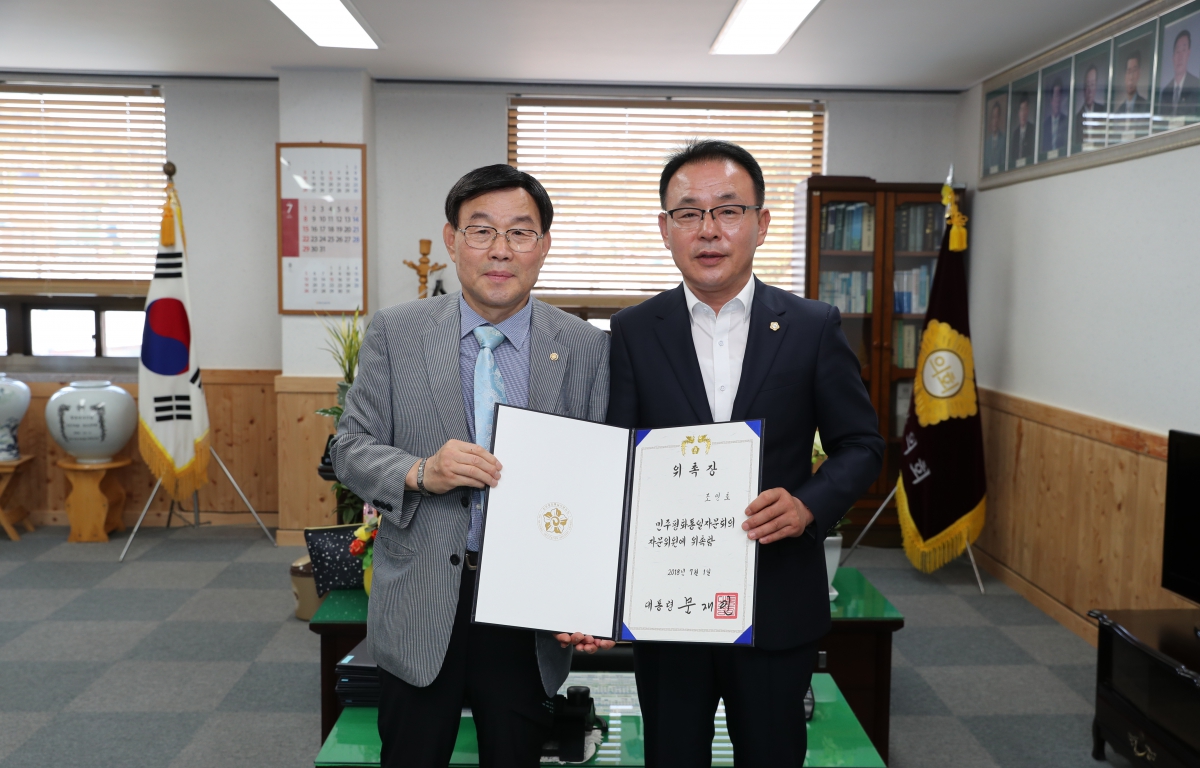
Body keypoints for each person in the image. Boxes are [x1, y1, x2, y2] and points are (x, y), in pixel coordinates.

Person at [606, 140, 884, 766]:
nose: (709, 230)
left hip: (775, 597)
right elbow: (615, 463)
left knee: (772, 753)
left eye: (728, 210)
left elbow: (862, 446)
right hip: (669, 606)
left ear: (761, 224)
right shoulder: (630, 332)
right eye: (688, 213)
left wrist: (809, 505)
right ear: (664, 229)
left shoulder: (813, 326)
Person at [332, 164, 614, 768]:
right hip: (422, 596)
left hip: (527, 602)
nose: (500, 250)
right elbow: (350, 449)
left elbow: (599, 483)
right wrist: (420, 472)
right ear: (452, 239)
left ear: (543, 246)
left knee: (514, 754)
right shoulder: (395, 333)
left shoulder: (586, 346)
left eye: (520, 232)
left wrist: (590, 598)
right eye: (481, 230)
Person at [1158, 29, 1200, 118]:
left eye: (1183, 50)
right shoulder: (1165, 92)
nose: (1180, 56)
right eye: (1177, 51)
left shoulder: (1196, 85)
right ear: (1173, 57)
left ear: (1188, 53)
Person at [1114, 49, 1150, 136]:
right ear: (1125, 75)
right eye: (1129, 71)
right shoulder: (1118, 113)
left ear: (1139, 73)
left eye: (1134, 71)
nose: (1131, 77)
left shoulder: (1146, 106)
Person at [1072, 64, 1104, 152]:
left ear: (1096, 86)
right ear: (1083, 88)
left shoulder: (1104, 112)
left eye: (1092, 85)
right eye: (1087, 85)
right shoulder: (1076, 120)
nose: (1089, 90)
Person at [1040, 77, 1067, 154]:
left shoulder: (1066, 122)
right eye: (1056, 96)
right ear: (1051, 100)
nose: (1057, 100)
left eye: (1059, 96)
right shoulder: (1045, 125)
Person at [1009, 93, 1035, 165]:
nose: (1023, 113)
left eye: (1025, 109)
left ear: (1028, 111)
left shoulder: (1033, 130)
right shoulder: (1015, 134)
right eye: (1021, 110)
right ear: (1018, 113)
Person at [984, 99, 1006, 172]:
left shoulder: (1004, 140)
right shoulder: (987, 143)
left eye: (997, 117)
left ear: (999, 119)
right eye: (993, 117)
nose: (995, 121)